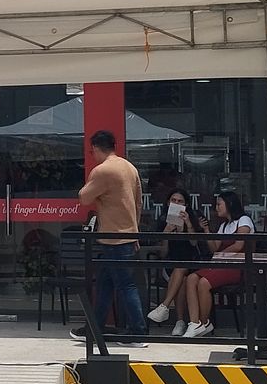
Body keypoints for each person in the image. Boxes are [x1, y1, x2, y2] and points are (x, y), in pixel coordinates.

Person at [75, 129, 144, 345]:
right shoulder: (129, 168)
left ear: (96, 148)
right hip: (127, 235)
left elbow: (84, 198)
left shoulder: (103, 170)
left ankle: (138, 332)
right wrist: (135, 232)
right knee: (105, 284)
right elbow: (138, 203)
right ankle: (94, 327)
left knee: (125, 285)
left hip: (113, 238)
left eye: (92, 151)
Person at [167, 191, 255, 339]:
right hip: (222, 265)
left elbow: (239, 245)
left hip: (238, 266)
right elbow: (214, 248)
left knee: (203, 283)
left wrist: (221, 255)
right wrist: (207, 230)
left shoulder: (243, 220)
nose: (216, 207)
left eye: (219, 204)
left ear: (229, 204)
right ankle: (194, 323)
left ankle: (204, 322)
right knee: (191, 278)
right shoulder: (224, 226)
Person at [147, 188, 207, 327]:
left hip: (192, 262)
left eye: (180, 201)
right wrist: (166, 234)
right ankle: (179, 321)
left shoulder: (193, 218)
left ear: (186, 205)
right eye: (173, 201)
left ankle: (166, 307)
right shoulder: (163, 220)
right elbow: (163, 253)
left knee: (181, 269)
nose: (176, 203)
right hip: (171, 264)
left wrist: (188, 224)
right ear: (168, 203)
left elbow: (194, 243)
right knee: (181, 275)